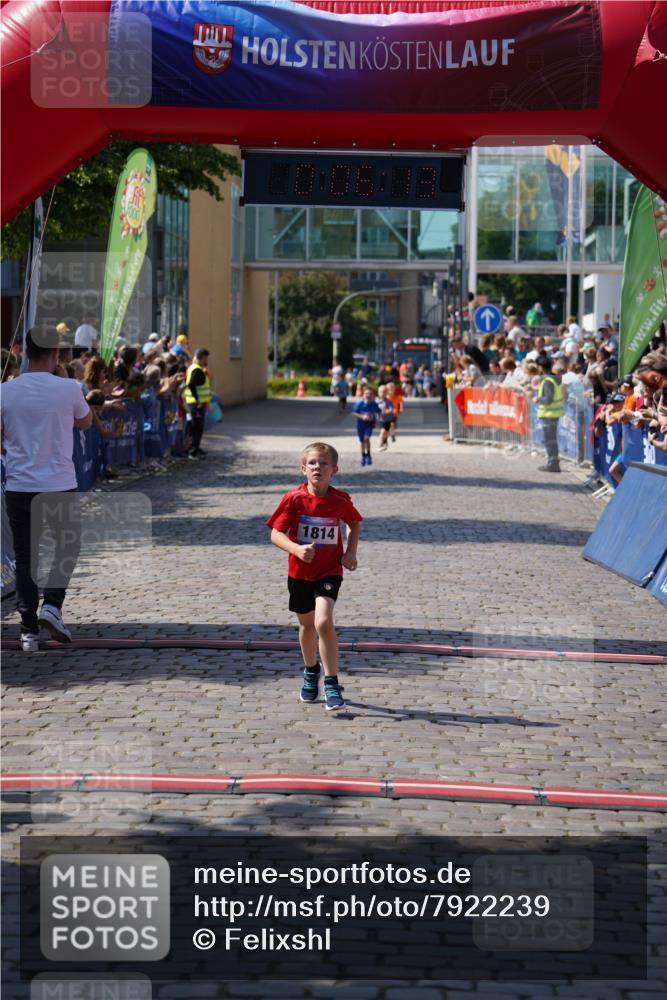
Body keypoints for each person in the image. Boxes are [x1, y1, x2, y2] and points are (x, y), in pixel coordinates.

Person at [0, 325, 92, 651]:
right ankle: (52, 606)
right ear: (56, 355)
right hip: (58, 485)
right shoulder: (68, 388)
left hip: (20, 486)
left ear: (24, 353)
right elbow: (85, 421)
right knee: (68, 546)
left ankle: (27, 630)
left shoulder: (5, 392)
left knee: (26, 557)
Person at [267, 441, 362, 711]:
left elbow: (355, 523)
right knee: (307, 626)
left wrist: (350, 552)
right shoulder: (293, 499)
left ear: (334, 470)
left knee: (323, 621)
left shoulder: (339, 500)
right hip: (299, 572)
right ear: (303, 469)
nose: (317, 467)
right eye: (312, 463)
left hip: (329, 570)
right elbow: (275, 533)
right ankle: (311, 671)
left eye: (323, 463)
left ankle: (331, 682)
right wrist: (296, 549)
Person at [536, 356, 565, 472]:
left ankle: (553, 463)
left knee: (550, 440)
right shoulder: (553, 379)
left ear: (541, 367)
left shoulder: (548, 381)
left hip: (549, 415)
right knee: (551, 440)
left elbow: (548, 399)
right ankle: (553, 462)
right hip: (552, 414)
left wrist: (538, 399)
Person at [183, 347, 212, 459]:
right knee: (196, 427)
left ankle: (196, 448)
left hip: (194, 403)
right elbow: (191, 384)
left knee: (196, 426)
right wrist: (198, 400)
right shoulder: (197, 370)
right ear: (202, 358)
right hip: (196, 404)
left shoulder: (194, 368)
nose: (207, 361)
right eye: (206, 358)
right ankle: (193, 451)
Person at [351, 386, 381, 466]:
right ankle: (363, 456)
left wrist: (377, 420)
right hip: (361, 425)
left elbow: (378, 412)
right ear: (363, 395)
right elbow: (353, 413)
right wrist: (362, 417)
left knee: (366, 438)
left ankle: (368, 455)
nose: (368, 395)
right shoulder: (359, 403)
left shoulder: (374, 404)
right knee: (362, 441)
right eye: (366, 393)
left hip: (369, 425)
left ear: (373, 396)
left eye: (370, 394)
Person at [376, 384, 396, 450]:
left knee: (385, 432)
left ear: (387, 393)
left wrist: (387, 411)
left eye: (384, 392)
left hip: (389, 419)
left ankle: (385, 442)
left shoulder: (388, 402)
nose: (382, 394)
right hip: (381, 420)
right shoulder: (377, 401)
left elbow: (391, 409)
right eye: (381, 392)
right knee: (382, 432)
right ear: (378, 393)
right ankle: (380, 445)